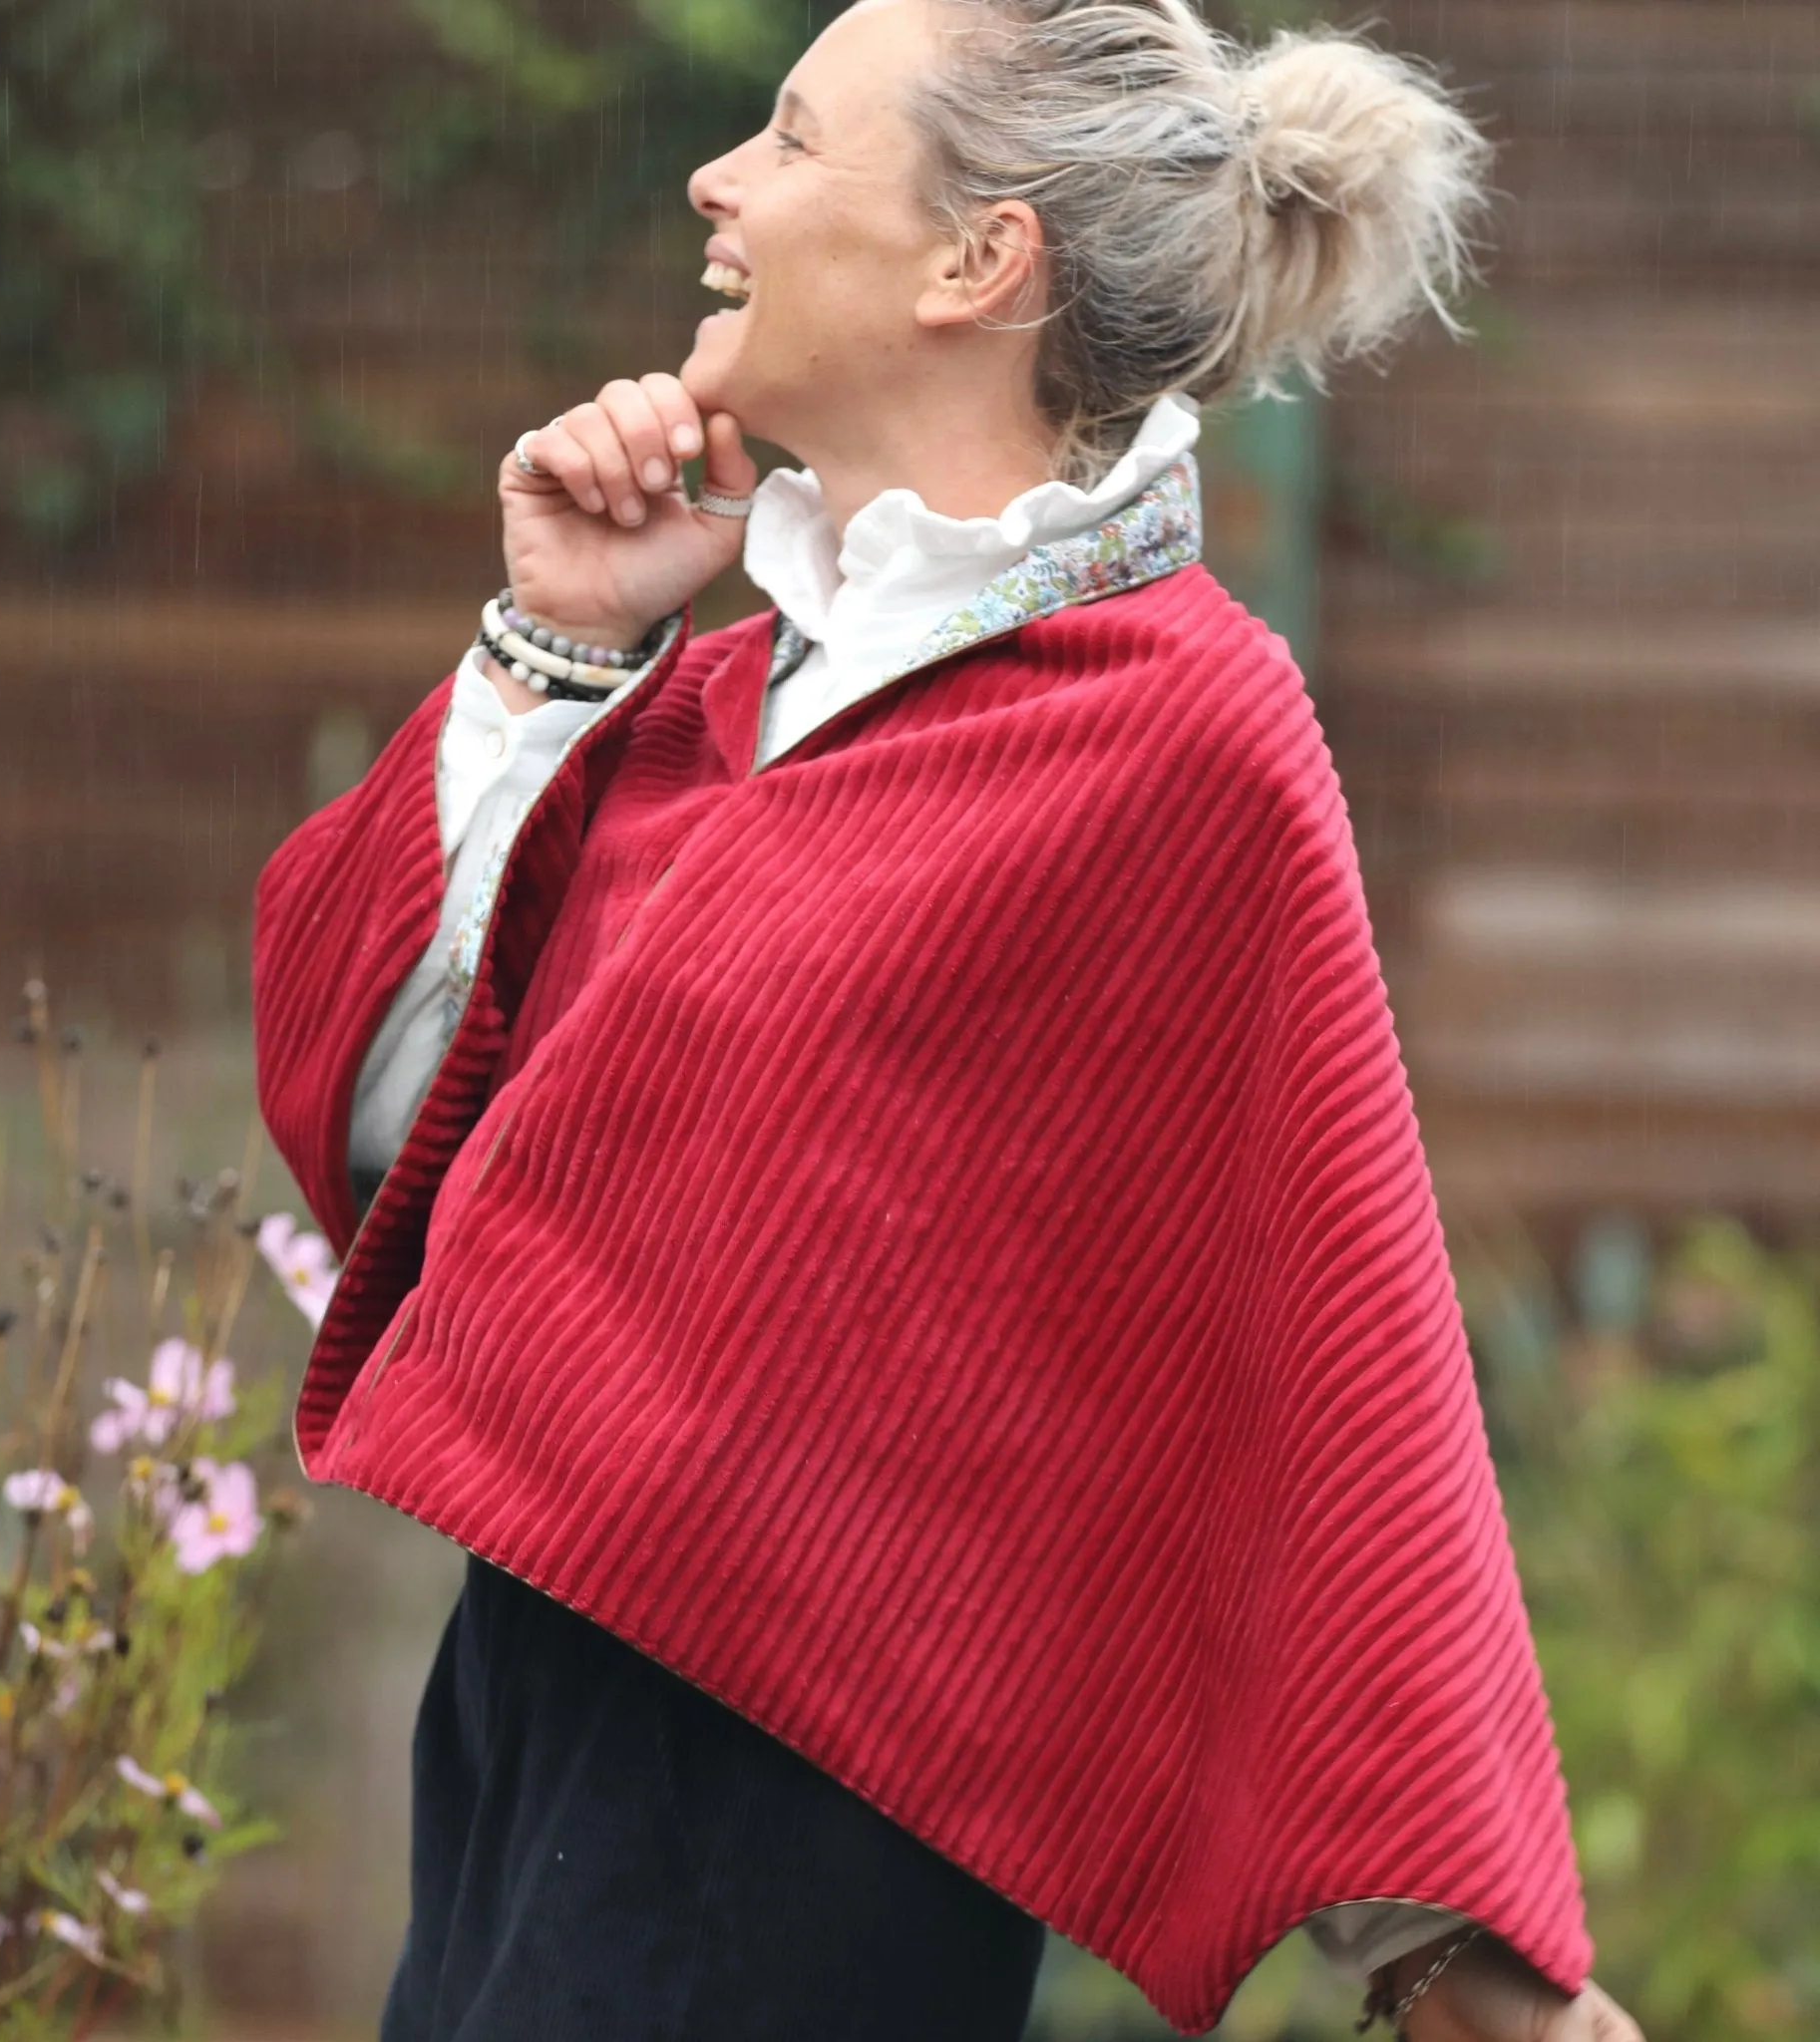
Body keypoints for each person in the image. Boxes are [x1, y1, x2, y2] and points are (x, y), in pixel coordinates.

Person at [251, 3, 1647, 2038]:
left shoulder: (1181, 730)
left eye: (795, 142)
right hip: (523, 1729)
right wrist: (556, 638)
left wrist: (1436, 1943)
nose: (718, 182)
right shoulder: (736, 696)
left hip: (811, 1827)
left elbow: (1312, 1328)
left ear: (973, 263)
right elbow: (381, 1123)